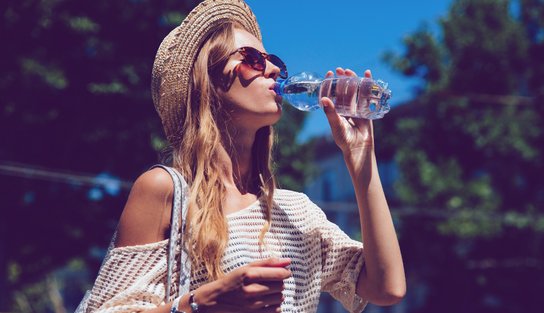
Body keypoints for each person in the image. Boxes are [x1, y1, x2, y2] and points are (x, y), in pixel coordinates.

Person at [81, 0, 405, 312]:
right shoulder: (164, 190)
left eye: (274, 59)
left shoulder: (297, 212)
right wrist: (202, 303)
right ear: (207, 82)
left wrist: (361, 161)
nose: (275, 69)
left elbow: (387, 287)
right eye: (252, 58)